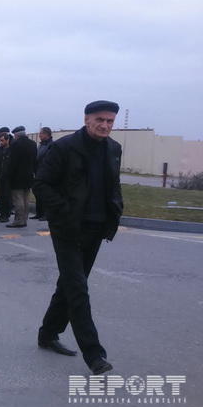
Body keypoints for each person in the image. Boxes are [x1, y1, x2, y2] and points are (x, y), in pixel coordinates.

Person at [33, 100, 123, 375]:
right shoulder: (64, 147)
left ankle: (47, 334)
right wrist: (63, 211)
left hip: (97, 228)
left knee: (70, 286)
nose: (105, 125)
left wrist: (115, 211)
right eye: (100, 120)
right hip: (68, 229)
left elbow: (112, 185)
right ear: (86, 120)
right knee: (78, 288)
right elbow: (41, 184)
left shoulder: (113, 148)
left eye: (110, 121)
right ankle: (94, 355)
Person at [6, 126, 37, 228]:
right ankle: (24, 219)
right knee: (26, 199)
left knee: (18, 199)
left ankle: (18, 220)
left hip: (17, 177)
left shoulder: (15, 145)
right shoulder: (33, 144)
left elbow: (12, 162)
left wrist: (8, 175)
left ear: (17, 135)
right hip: (29, 176)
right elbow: (35, 161)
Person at [31, 127, 53, 220]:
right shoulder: (41, 145)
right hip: (38, 172)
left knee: (45, 194)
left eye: (41, 134)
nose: (39, 135)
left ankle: (46, 214)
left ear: (46, 134)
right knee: (38, 193)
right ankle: (39, 213)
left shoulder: (51, 145)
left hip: (46, 174)